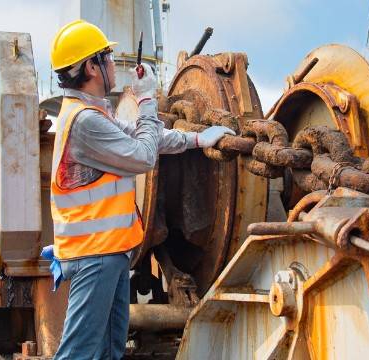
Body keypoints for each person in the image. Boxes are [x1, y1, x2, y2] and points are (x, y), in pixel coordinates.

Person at [42, 19, 233, 359]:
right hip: (94, 256)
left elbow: (143, 137)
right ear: (91, 66)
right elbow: (144, 156)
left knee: (109, 350)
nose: (115, 64)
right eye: (108, 57)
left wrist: (197, 139)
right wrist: (146, 101)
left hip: (110, 253)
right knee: (80, 353)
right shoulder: (85, 121)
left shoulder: (93, 112)